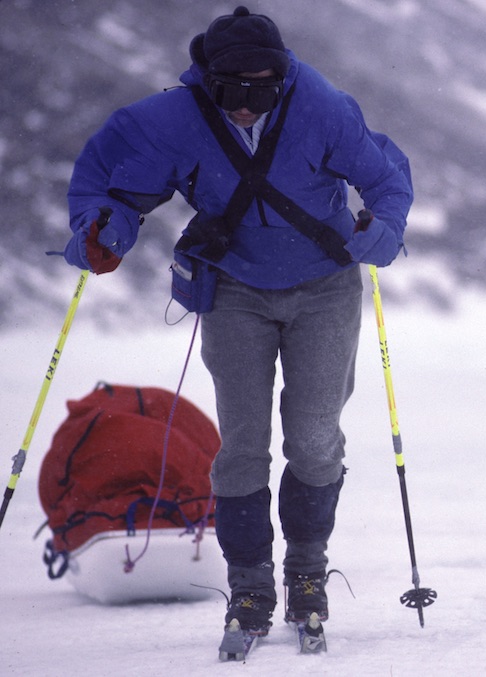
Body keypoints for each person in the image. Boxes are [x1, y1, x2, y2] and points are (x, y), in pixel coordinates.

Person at [62, 6, 413, 639]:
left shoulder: (323, 108)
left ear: (281, 81)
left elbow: (386, 179)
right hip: (234, 290)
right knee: (243, 445)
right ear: (206, 79)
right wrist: (100, 230)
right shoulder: (170, 119)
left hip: (324, 288)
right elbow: (104, 181)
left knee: (313, 437)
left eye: (260, 91)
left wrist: (384, 230)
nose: (245, 105)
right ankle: (249, 586)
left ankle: (307, 572)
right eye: (230, 92)